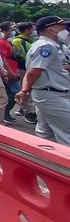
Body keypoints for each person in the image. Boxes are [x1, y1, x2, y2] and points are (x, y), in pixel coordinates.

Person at [15, 16, 70, 145]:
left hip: (48, 93)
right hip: (51, 95)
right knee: (66, 133)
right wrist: (24, 91)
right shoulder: (47, 46)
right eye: (63, 27)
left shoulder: (49, 46)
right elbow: (34, 72)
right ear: (51, 29)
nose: (66, 30)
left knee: (45, 134)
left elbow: (47, 69)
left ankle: (42, 162)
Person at [11, 22, 38, 123]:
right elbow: (24, 56)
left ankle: (23, 109)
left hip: (28, 68)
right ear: (26, 30)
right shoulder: (18, 41)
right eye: (32, 29)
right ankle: (27, 112)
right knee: (25, 89)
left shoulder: (29, 40)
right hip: (23, 68)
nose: (33, 31)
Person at [0, 21, 19, 123]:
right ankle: (4, 113)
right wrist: (9, 72)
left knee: (12, 92)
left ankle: (5, 113)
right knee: (13, 93)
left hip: (13, 70)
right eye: (10, 29)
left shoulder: (7, 42)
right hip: (8, 72)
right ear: (5, 31)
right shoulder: (0, 42)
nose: (12, 31)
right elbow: (2, 59)